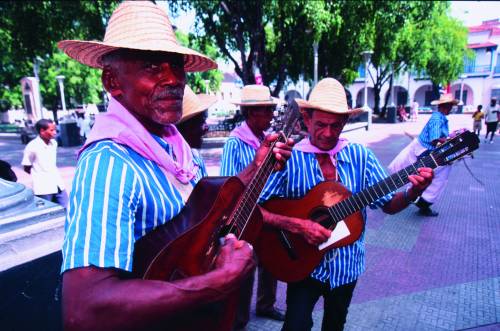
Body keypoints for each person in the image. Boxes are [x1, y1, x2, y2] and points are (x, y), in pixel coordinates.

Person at [56, 2, 293, 330]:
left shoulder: (180, 150)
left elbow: (202, 215)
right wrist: (218, 281)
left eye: (176, 65)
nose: (173, 79)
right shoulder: (108, 165)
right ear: (112, 81)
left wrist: (257, 168)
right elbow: (83, 310)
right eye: (152, 66)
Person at [258, 78, 433, 331]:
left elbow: (389, 205)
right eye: (321, 124)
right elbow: (257, 211)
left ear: (345, 122)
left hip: (346, 267)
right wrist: (298, 226)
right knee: (295, 326)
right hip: (301, 262)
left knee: (335, 325)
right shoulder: (288, 158)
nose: (328, 133)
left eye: (336, 125)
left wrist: (413, 192)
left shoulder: (360, 156)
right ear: (306, 119)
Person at [220, 84, 285, 330]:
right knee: (245, 265)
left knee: (270, 260)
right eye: (266, 111)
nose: (270, 116)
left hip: (267, 212)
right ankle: (238, 319)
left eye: (270, 110)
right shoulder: (235, 143)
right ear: (250, 113)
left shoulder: (263, 138)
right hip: (245, 216)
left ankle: (266, 303)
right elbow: (228, 182)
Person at [389, 93, 458, 217]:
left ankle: (422, 201)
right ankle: (421, 202)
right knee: (425, 178)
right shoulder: (437, 118)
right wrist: (451, 140)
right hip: (424, 151)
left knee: (426, 177)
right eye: (450, 106)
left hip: (426, 150)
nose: (451, 108)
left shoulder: (441, 118)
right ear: (445, 106)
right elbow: (435, 139)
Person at [21, 118, 68, 208]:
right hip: (43, 187)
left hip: (58, 184)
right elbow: (27, 166)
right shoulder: (32, 146)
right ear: (42, 131)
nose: (54, 132)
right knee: (47, 211)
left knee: (66, 207)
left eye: (55, 130)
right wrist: (39, 173)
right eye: (51, 130)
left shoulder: (54, 143)